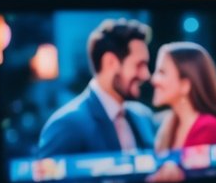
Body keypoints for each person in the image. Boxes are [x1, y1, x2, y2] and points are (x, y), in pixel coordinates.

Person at [38, 19, 156, 157]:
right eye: (139, 65)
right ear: (110, 62)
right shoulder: (67, 125)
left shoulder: (143, 117)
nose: (146, 75)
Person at [150, 41, 216, 152]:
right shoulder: (169, 125)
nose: (154, 79)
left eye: (162, 72)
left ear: (185, 85)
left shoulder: (209, 127)